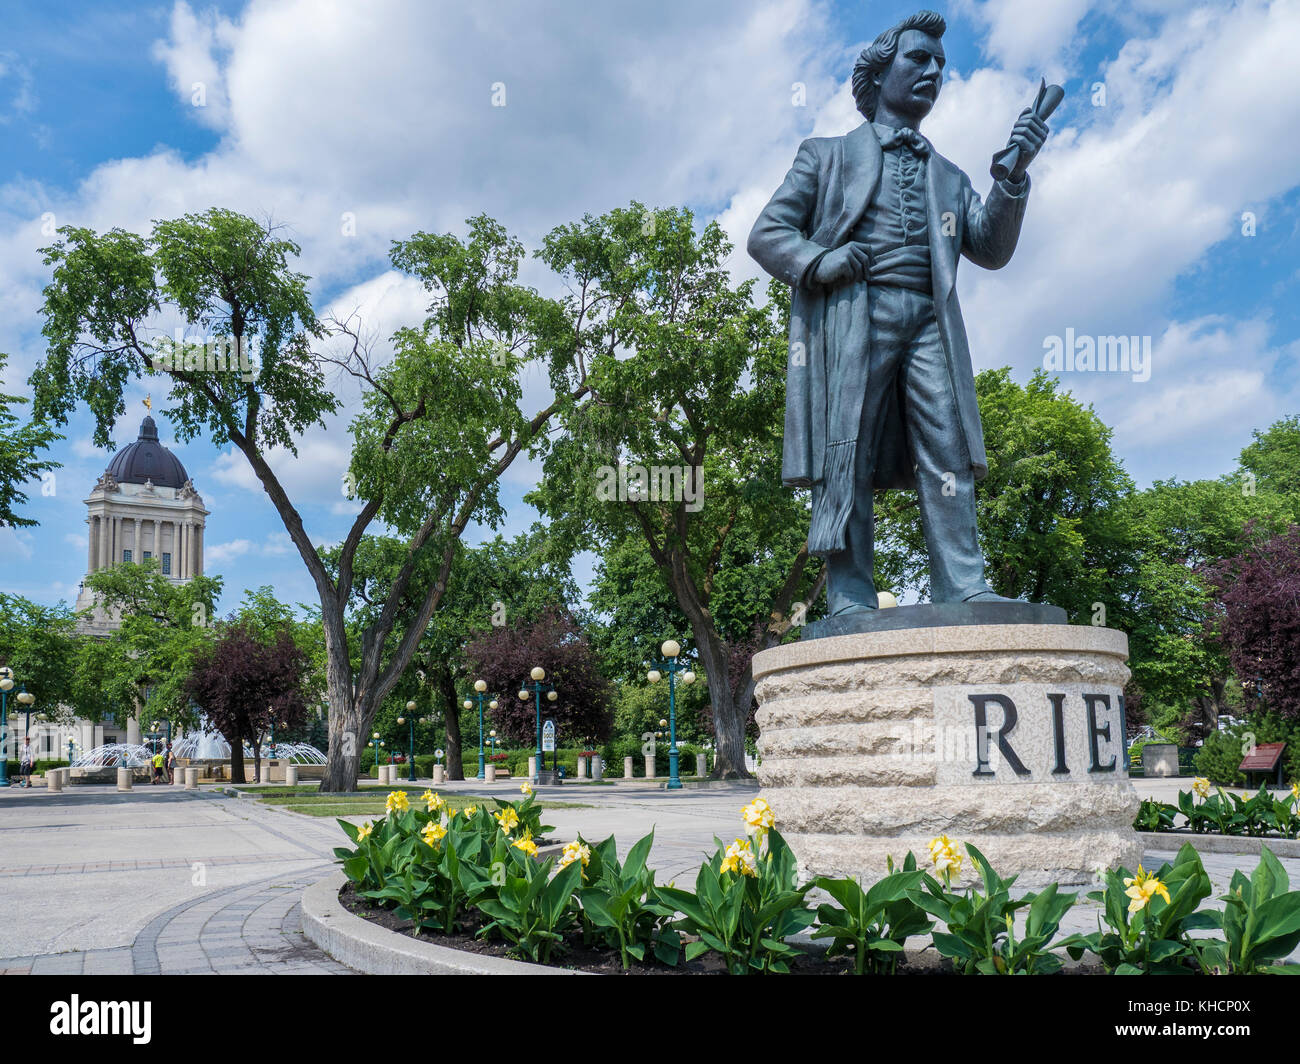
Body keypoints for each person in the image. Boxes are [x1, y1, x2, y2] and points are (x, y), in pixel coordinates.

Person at [747, 9, 1049, 614]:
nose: (933, 71)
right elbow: (768, 233)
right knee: (847, 448)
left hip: (929, 323)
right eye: (918, 59)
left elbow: (990, 248)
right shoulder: (825, 155)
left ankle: (962, 583)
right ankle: (851, 595)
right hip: (856, 314)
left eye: (940, 64)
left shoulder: (949, 174)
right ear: (879, 72)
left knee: (948, 449)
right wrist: (819, 261)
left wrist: (1011, 178)